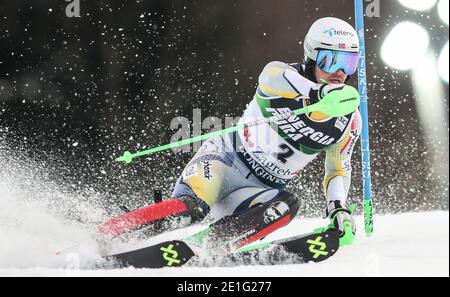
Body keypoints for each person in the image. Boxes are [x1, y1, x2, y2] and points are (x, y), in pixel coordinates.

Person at [100, 17, 362, 250]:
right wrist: (318, 94)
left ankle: (206, 249)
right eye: (330, 61)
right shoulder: (281, 77)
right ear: (311, 58)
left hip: (255, 192)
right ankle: (106, 234)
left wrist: (337, 207)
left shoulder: (349, 121)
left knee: (286, 206)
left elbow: (338, 170)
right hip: (222, 163)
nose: (339, 73)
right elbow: (270, 77)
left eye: (349, 63)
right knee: (190, 210)